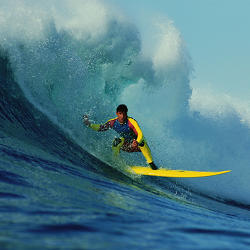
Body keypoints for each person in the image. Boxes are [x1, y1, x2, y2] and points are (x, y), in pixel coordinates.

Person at [83, 104, 158, 170]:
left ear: (126, 114)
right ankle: (116, 162)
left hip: (136, 145)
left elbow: (140, 134)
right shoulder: (113, 122)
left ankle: (151, 164)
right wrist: (89, 124)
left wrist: (137, 142)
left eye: (124, 114)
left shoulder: (131, 122)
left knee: (142, 142)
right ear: (117, 113)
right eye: (120, 114)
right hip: (127, 146)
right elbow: (101, 128)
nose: (122, 116)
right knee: (116, 141)